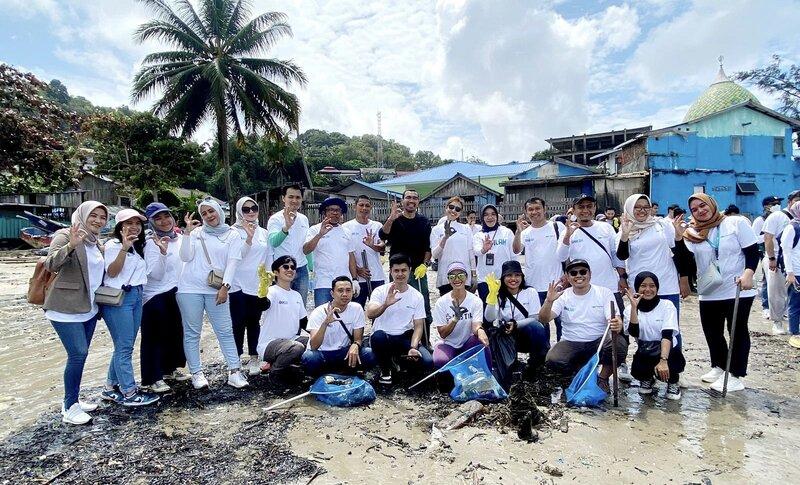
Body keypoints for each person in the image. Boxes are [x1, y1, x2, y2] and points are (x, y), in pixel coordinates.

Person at [672, 193, 758, 392]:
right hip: (710, 289)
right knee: (712, 330)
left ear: (711, 204)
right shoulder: (693, 232)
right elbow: (685, 261)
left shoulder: (736, 223)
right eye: (694, 209)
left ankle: (736, 374)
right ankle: (719, 366)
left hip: (737, 287)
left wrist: (748, 273)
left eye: (703, 205)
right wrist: (678, 237)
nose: (700, 211)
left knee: (736, 330)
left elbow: (753, 251)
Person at [44, 201, 108, 425]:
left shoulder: (96, 242)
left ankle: (73, 400)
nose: (98, 220)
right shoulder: (64, 235)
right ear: (82, 215)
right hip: (64, 308)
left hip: (88, 308)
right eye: (94, 215)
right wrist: (70, 245)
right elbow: (50, 264)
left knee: (80, 356)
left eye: (102, 217)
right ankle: (69, 407)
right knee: (78, 354)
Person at [176, 199, 249, 390]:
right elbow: (185, 257)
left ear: (219, 211)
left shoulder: (233, 234)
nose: (209, 216)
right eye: (204, 213)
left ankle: (235, 371)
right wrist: (186, 233)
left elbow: (233, 262)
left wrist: (226, 286)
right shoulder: (196, 233)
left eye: (212, 211)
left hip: (217, 288)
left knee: (225, 330)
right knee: (192, 333)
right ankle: (197, 373)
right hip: (190, 288)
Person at [538, 259, 628, 393]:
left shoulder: (604, 292)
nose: (578, 275)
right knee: (553, 359)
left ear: (590, 274)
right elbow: (544, 319)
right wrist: (548, 301)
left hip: (598, 341)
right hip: (571, 342)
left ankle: (602, 378)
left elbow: (616, 320)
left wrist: (617, 324)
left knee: (619, 343)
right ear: (568, 277)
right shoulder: (563, 295)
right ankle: (573, 377)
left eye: (583, 272)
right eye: (573, 273)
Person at [140, 203, 188, 394]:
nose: (164, 221)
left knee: (174, 333)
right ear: (152, 222)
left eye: (166, 216)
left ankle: (169, 369)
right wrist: (161, 252)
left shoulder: (180, 239)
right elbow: (155, 275)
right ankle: (153, 377)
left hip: (176, 292)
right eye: (158, 218)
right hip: (155, 295)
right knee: (154, 337)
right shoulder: (151, 243)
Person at [366, 254, 433, 385]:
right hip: (383, 338)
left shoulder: (417, 296)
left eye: (404, 270)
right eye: (396, 270)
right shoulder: (380, 291)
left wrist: (414, 346)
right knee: (377, 337)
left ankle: (400, 363)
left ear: (410, 270)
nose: (400, 274)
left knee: (427, 362)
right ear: (390, 271)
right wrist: (385, 304)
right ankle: (385, 371)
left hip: (404, 337)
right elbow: (370, 314)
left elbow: (418, 325)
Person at [556, 194, 627, 314]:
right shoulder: (567, 231)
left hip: (609, 287)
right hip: (582, 289)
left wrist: (622, 278)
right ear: (573, 210)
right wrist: (568, 235)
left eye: (589, 206)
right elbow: (561, 257)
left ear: (595, 208)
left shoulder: (606, 228)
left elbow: (615, 255)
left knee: (616, 327)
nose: (585, 210)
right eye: (581, 207)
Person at [616, 194, 681, 318]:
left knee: (671, 329)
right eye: (637, 207)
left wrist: (684, 279)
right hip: (640, 286)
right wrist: (625, 235)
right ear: (629, 208)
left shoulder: (661, 224)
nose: (642, 210)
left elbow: (677, 250)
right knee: (643, 329)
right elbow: (622, 256)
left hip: (667, 284)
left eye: (646, 207)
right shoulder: (625, 228)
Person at [624, 272, 685, 400]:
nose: (648, 290)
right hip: (645, 348)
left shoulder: (667, 305)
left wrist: (663, 361)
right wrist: (634, 308)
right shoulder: (629, 308)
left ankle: (673, 382)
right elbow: (634, 333)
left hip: (667, 349)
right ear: (637, 288)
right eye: (643, 286)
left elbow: (667, 335)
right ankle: (647, 378)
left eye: (652, 286)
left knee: (672, 358)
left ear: (657, 288)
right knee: (643, 384)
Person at [230, 196, 273, 376]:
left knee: (254, 322)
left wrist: (270, 278)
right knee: (238, 323)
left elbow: (268, 254)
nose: (250, 212)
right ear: (239, 211)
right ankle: (235, 360)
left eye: (253, 208)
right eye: (245, 209)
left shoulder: (263, 232)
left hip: (256, 284)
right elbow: (235, 256)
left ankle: (254, 357)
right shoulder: (232, 232)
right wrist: (248, 238)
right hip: (237, 284)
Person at [379, 189, 433, 329]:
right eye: (408, 197)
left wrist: (425, 265)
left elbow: (428, 248)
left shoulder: (424, 222)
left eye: (415, 198)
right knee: (397, 304)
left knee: (423, 304)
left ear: (418, 202)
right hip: (398, 270)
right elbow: (383, 236)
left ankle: (424, 340)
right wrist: (391, 218)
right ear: (402, 201)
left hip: (417, 271)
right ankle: (398, 335)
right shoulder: (395, 220)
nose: (411, 200)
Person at [514, 197, 566, 341]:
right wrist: (518, 232)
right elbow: (516, 250)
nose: (534, 212)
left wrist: (567, 274)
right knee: (541, 324)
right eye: (530, 209)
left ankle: (564, 355)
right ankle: (544, 355)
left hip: (557, 284)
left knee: (562, 321)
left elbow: (567, 251)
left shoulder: (557, 227)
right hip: (534, 285)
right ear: (526, 212)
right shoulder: (525, 233)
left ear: (544, 209)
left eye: (537, 208)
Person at [302, 276, 376, 376]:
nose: (344, 294)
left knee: (369, 354)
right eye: (340, 290)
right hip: (323, 353)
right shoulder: (319, 312)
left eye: (348, 290)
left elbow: (358, 339)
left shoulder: (356, 308)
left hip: (343, 352)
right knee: (310, 357)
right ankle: (321, 377)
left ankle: (347, 372)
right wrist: (325, 323)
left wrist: (355, 345)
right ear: (332, 293)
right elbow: (314, 346)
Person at [483, 261, 550, 367]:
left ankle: (536, 363)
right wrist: (492, 295)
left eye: (517, 275)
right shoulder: (498, 293)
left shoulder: (530, 292)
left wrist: (516, 324)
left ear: (522, 277)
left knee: (537, 327)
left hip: (525, 335)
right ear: (503, 277)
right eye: (509, 275)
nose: (513, 279)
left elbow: (535, 318)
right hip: (507, 335)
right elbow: (489, 318)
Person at [256, 256, 308, 383]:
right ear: (276, 272)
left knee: (313, 344)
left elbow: (305, 322)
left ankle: (289, 368)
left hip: (291, 340)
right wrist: (262, 291)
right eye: (285, 267)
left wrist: (321, 335)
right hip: (270, 344)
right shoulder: (272, 291)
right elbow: (264, 305)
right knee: (296, 348)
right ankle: (275, 372)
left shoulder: (297, 295)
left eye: (293, 267)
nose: (290, 269)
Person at [304, 196, 359, 307]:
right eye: (331, 210)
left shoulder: (347, 232)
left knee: (344, 316)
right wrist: (320, 234)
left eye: (337, 210)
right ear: (325, 212)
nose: (334, 213)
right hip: (323, 283)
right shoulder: (314, 229)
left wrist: (354, 279)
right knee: (323, 316)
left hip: (344, 283)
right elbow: (306, 250)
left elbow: (351, 256)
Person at [432, 262, 489, 368]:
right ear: (448, 280)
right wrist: (455, 319)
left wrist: (481, 331)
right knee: (441, 361)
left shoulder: (475, 301)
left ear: (466, 277)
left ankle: (488, 379)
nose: (457, 279)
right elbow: (443, 334)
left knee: (483, 346)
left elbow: (476, 326)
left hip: (468, 342)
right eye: (452, 276)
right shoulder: (441, 302)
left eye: (461, 275)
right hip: (448, 343)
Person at [762, 190, 800, 335]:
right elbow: (768, 238)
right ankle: (777, 322)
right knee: (776, 292)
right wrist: (771, 258)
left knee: (792, 294)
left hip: (794, 263)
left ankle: (792, 322)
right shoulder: (777, 216)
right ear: (790, 202)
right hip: (777, 260)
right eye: (796, 200)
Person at [267, 184, 310, 305]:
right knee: (281, 306)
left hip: (301, 269)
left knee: (300, 306)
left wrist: (311, 268)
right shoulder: (275, 219)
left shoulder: (304, 219)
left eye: (298, 197)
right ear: (283, 198)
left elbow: (304, 245)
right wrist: (286, 227)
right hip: (282, 270)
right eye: (291, 197)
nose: (294, 200)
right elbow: (273, 242)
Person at [343, 195, 386, 307]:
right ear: (354, 207)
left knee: (378, 310)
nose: (364, 208)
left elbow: (382, 248)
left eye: (367, 205)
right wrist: (357, 270)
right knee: (356, 309)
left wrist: (372, 245)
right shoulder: (346, 227)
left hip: (376, 276)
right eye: (361, 205)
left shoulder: (377, 226)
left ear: (371, 207)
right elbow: (344, 254)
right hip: (357, 279)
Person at [430, 196, 476, 295]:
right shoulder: (436, 230)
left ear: (460, 212)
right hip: (445, 277)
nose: (453, 210)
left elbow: (470, 252)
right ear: (446, 207)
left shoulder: (466, 229)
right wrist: (445, 238)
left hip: (464, 276)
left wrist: (474, 274)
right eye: (451, 207)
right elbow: (434, 255)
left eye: (458, 209)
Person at [473, 204, 516, 285]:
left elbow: (513, 255)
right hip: (484, 279)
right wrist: (484, 249)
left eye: (493, 214)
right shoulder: (478, 235)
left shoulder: (507, 232)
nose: (490, 217)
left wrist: (513, 274)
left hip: (505, 278)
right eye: (486, 215)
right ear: (482, 217)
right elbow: (476, 252)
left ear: (497, 216)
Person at [753, 197, 780, 319]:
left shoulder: (781, 217)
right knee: (766, 279)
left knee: (779, 282)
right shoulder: (760, 220)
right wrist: (768, 236)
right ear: (766, 206)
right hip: (766, 253)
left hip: (779, 252)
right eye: (774, 204)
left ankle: (780, 308)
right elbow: (753, 238)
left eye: (778, 203)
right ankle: (766, 307)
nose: (777, 205)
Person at [780, 201, 800, 338]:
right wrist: (790, 273)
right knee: (795, 303)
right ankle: (794, 332)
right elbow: (786, 251)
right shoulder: (792, 228)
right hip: (796, 271)